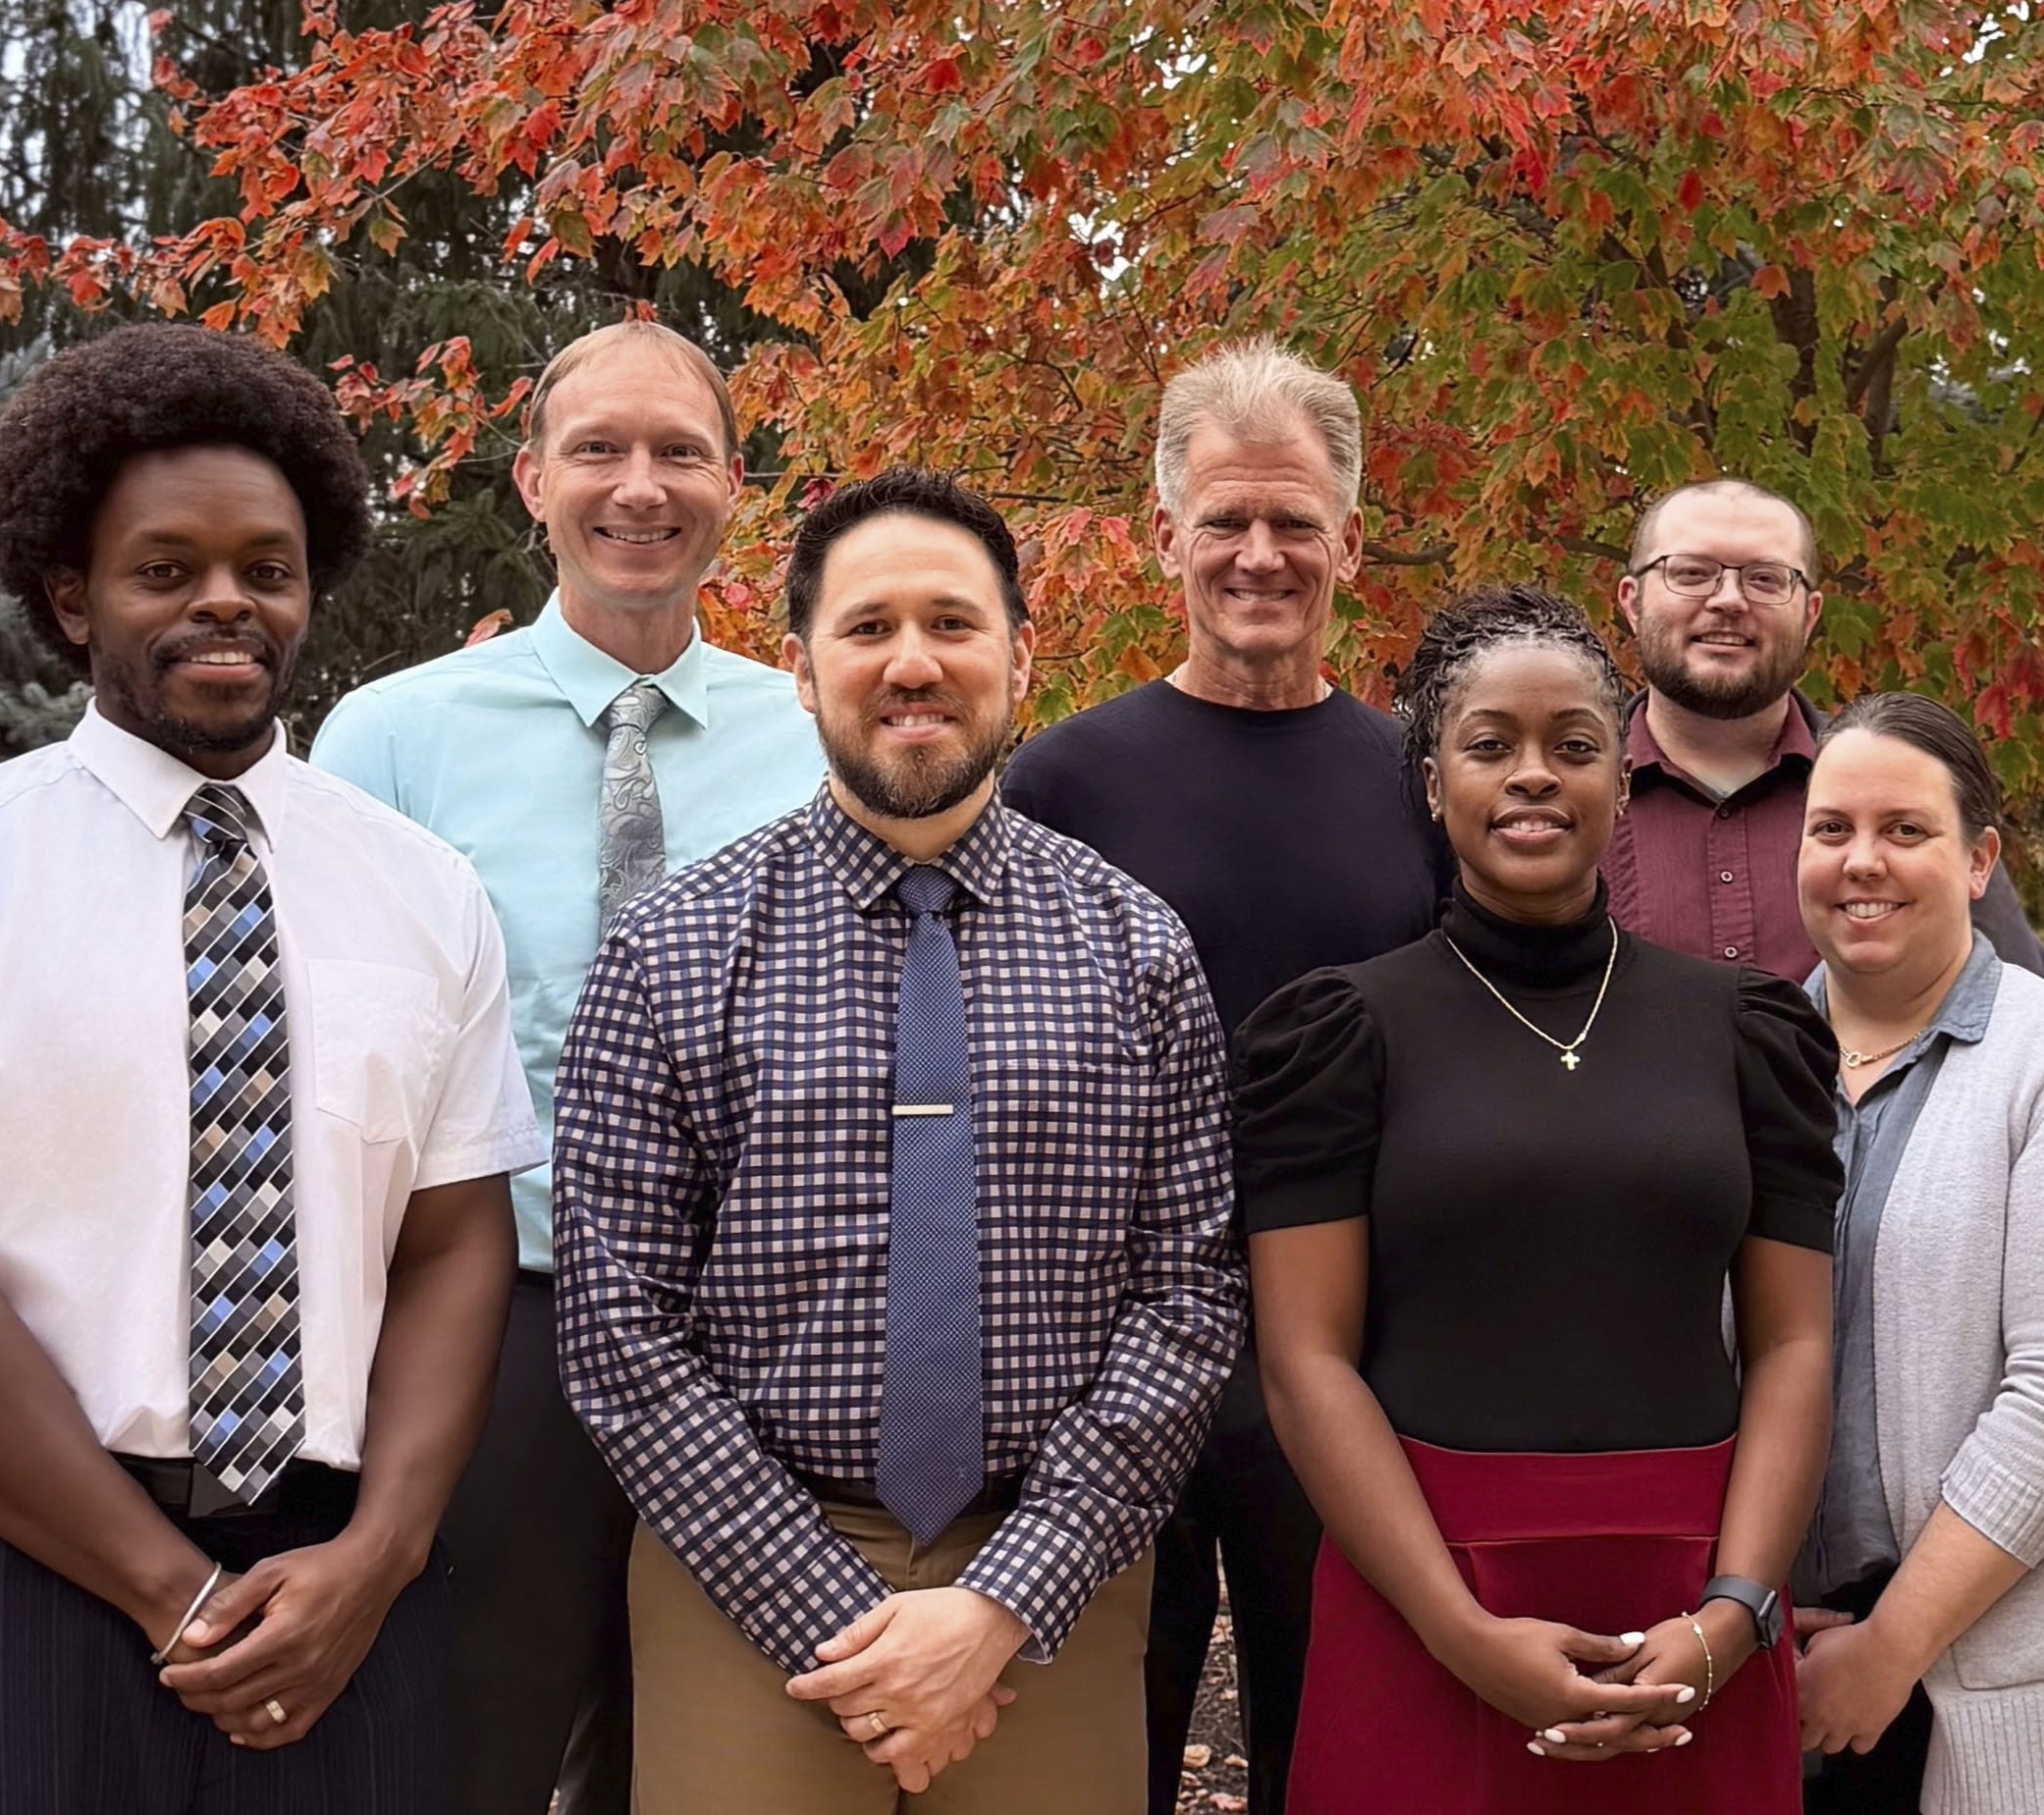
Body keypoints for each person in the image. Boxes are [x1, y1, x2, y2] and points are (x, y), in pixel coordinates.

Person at [552, 467, 1245, 1815]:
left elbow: (1186, 1297)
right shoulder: (674, 950)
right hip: (743, 1565)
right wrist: (830, 1618)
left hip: (1054, 1568)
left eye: (953, 623)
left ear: (1020, 659)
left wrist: (1001, 1603)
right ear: (802, 670)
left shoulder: (1136, 947)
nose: (912, 663)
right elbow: (617, 1322)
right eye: (868, 629)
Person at [0, 323, 542, 1812]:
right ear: (72, 598)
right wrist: (168, 1593)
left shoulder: (424, 887)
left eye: (266, 566)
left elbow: (459, 1244)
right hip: (34, 1577)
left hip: (345, 1595)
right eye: (166, 568)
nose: (226, 599)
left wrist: (378, 1557)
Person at [311, 318, 826, 1815]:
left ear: (737, 483)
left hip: (747, 1339)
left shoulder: (816, 740)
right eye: (599, 449)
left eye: (679, 451)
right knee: (468, 1745)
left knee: (701, 1759)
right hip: (495, 1326)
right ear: (533, 479)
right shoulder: (391, 743)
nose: (639, 487)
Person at [1242, 584, 1841, 1813]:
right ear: (1430, 782)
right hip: (1423, 1589)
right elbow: (1305, 1359)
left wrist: (1733, 1615)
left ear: (1619, 784)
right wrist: (1459, 1632)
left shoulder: (1747, 1030)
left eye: (1573, 746)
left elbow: (1793, 1340)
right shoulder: (1338, 1031)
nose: (1532, 775)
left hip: (1689, 1611)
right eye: (1488, 745)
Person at [1000, 338, 1440, 1815]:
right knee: (1091, 1754)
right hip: (1104, 1353)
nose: (1259, 555)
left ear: (1350, 544)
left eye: (1294, 523)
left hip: (1353, 1357)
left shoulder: (1421, 788)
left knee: (1335, 1754)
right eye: (1227, 520)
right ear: (1163, 536)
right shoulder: (1058, 784)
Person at [1791, 692, 2044, 1815]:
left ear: (1979, 858)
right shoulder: (1751, 1058)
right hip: (1774, 1663)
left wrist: (1891, 1643)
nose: (1863, 862)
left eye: (1905, 830)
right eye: (1830, 829)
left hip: (1997, 1690)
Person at [1602, 477, 2044, 982]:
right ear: (1632, 601)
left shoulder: (1913, 786)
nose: (1728, 599)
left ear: (1811, 613)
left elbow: (2026, 1014)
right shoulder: (1564, 797)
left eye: (1766, 579)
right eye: (1691, 573)